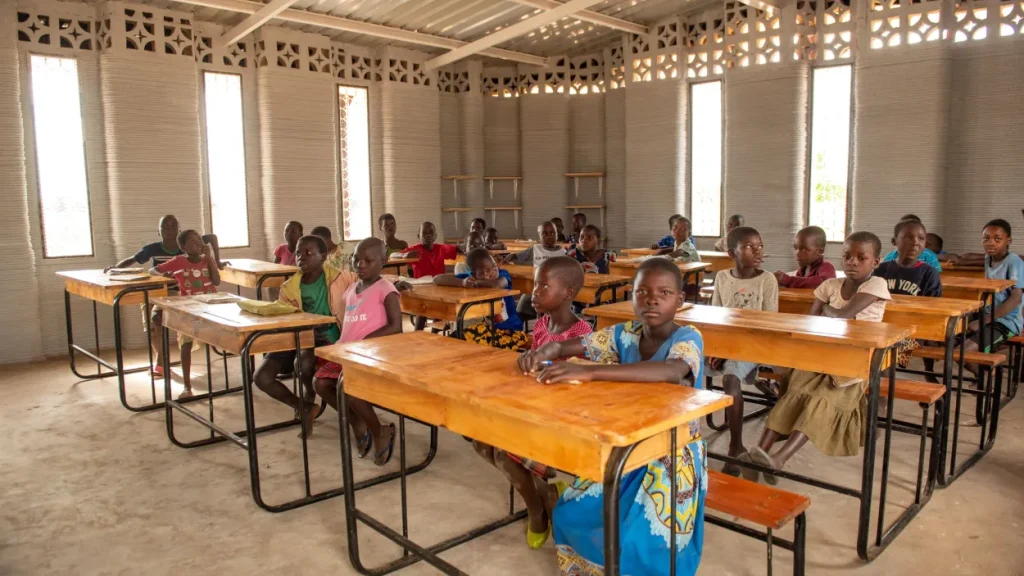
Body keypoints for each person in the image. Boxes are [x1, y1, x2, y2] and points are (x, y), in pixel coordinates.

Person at [519, 258, 707, 575]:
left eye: (664, 292)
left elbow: (672, 371)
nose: (652, 299)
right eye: (642, 291)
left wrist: (591, 373)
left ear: (680, 300)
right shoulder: (625, 333)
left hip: (673, 453)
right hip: (626, 442)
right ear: (630, 296)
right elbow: (577, 345)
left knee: (640, 535)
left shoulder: (687, 338)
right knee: (569, 513)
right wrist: (545, 352)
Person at [743, 232, 890, 484]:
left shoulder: (876, 285)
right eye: (847, 256)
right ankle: (760, 453)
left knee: (820, 401)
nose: (852, 262)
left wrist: (829, 311)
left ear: (875, 262)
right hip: (821, 355)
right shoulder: (829, 286)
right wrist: (827, 314)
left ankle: (779, 458)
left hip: (853, 364)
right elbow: (811, 324)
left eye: (861, 258)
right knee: (793, 394)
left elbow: (842, 315)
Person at [469, 257, 591, 549]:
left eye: (543, 286)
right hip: (531, 407)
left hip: (559, 419)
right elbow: (533, 366)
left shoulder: (582, 334)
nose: (534, 291)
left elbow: (583, 387)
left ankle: (537, 510)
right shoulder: (542, 325)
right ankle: (545, 493)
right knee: (480, 440)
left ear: (567, 293)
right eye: (535, 284)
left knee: (503, 456)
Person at [311, 238, 401, 464]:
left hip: (372, 354)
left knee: (350, 389)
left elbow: (396, 326)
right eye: (356, 259)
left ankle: (379, 430)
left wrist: (364, 342)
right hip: (347, 351)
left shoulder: (386, 289)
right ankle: (356, 421)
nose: (360, 264)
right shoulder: (352, 288)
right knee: (320, 383)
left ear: (383, 261)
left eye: (368, 260)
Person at [253, 235, 351, 439]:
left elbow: (372, 279)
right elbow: (286, 319)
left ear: (323, 256)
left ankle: (309, 392)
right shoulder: (289, 287)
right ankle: (304, 406)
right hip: (296, 337)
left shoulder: (340, 277)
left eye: (308, 253)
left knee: (304, 362)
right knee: (261, 377)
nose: (302, 257)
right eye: (298, 253)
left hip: (329, 341)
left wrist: (398, 283)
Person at [104, 214, 222, 376]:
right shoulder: (153, 249)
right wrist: (115, 268)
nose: (169, 229)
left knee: (160, 317)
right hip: (156, 291)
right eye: (165, 226)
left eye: (173, 226)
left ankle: (162, 360)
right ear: (158, 231)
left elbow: (211, 238)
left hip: (179, 291)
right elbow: (133, 260)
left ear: (179, 230)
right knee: (153, 321)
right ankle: (160, 359)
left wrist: (218, 260)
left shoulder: (189, 244)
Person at [709, 226, 778, 474]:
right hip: (724, 344)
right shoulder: (722, 278)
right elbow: (715, 317)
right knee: (684, 366)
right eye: (749, 246)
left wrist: (727, 350)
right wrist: (717, 347)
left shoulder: (767, 280)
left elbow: (767, 326)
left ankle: (735, 446)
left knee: (730, 378)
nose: (758, 250)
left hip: (753, 345)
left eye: (760, 245)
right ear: (731, 252)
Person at [148, 229, 220, 399]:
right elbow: (152, 271)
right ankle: (187, 386)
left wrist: (209, 257)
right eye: (193, 241)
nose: (198, 244)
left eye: (199, 240)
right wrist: (166, 276)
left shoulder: (206, 260)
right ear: (183, 246)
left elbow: (216, 281)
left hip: (211, 308)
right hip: (189, 309)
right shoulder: (179, 261)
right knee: (186, 345)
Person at [434, 248, 528, 350]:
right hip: (486, 329)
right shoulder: (468, 278)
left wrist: (476, 283)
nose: (493, 272)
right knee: (458, 337)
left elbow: (497, 285)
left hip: (509, 330)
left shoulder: (502, 275)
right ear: (474, 274)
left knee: (470, 339)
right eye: (486, 271)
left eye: (494, 267)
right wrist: (461, 282)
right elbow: (437, 279)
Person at [961, 219, 1024, 360]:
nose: (991, 242)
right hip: (987, 313)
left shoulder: (1014, 262)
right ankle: (985, 373)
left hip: (1006, 321)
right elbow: (968, 258)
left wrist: (983, 321)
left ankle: (986, 377)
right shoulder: (988, 258)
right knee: (952, 327)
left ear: (1009, 241)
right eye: (986, 238)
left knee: (964, 352)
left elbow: (1016, 299)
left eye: (997, 239)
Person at [504, 221, 567, 322]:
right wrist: (508, 258)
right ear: (539, 237)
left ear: (557, 234)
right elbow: (516, 256)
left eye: (552, 233)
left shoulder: (563, 253)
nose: (549, 236)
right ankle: (519, 327)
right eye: (545, 234)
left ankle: (546, 324)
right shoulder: (535, 249)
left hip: (554, 291)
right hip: (535, 289)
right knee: (523, 303)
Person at [873, 220, 942, 298]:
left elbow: (933, 305)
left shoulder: (929, 274)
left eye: (921, 238)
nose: (915, 242)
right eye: (908, 237)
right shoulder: (880, 269)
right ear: (895, 241)